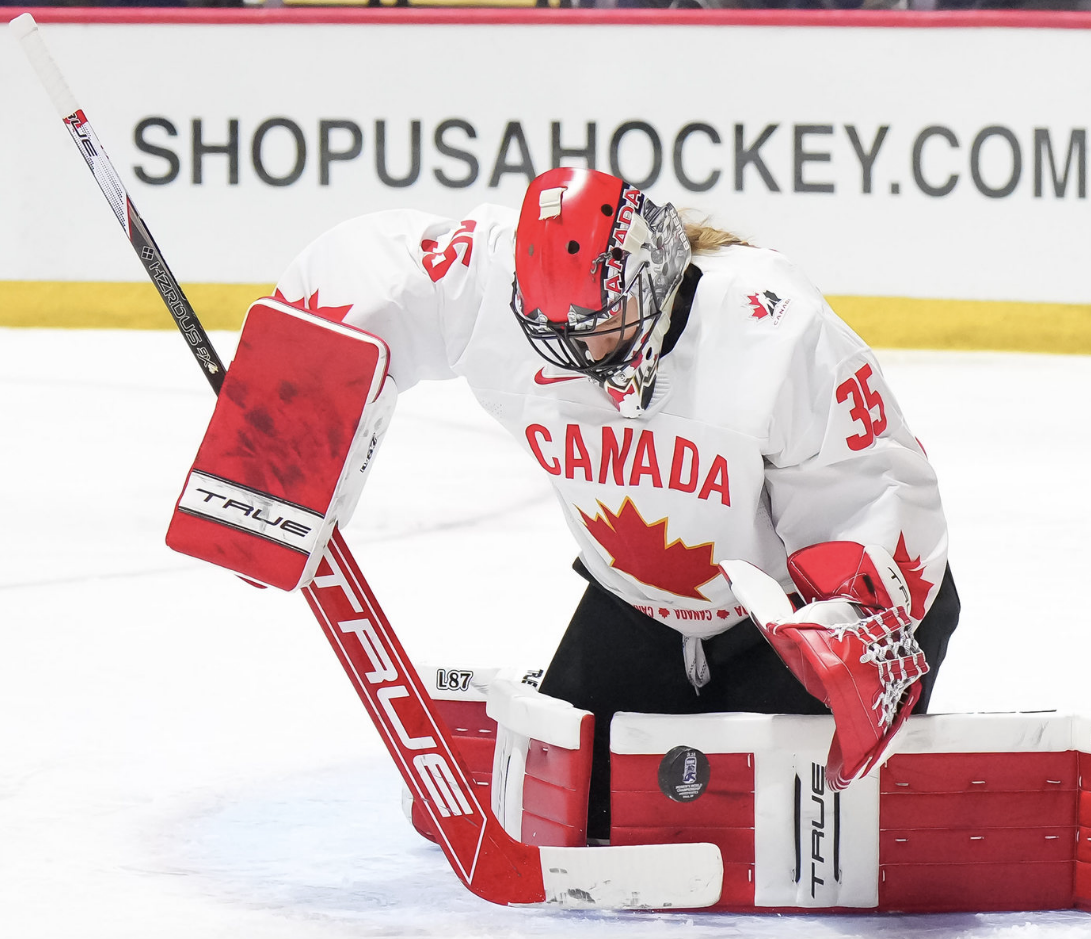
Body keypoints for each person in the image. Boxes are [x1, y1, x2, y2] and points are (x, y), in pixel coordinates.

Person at [274, 167, 959, 841]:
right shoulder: (491, 290)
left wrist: (858, 624)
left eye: (602, 326)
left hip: (786, 625)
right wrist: (275, 432)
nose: (585, 354)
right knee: (582, 817)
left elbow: (872, 480)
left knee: (767, 826)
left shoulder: (769, 327)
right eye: (560, 335)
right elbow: (370, 272)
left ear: (651, 272)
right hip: (637, 604)